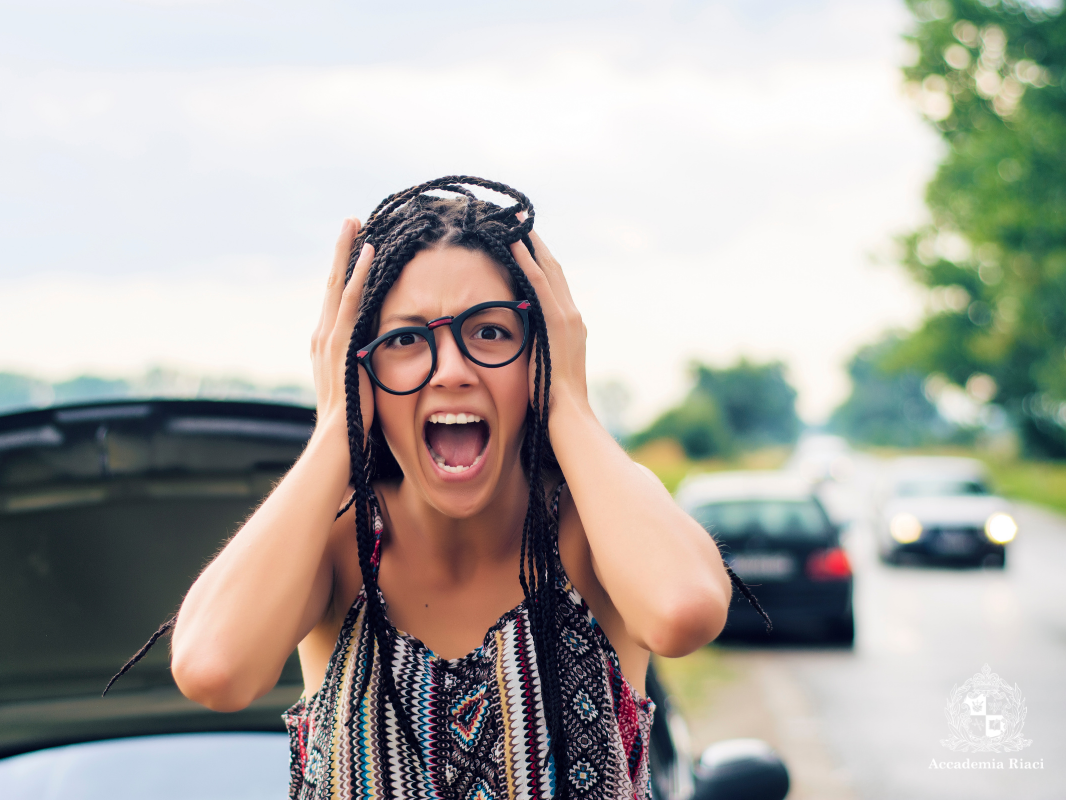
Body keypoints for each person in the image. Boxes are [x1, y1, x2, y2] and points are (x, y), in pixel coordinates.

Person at [137, 177, 754, 799]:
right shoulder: (335, 547)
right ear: (361, 366)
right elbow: (213, 670)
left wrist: (567, 400)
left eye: (490, 333)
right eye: (405, 340)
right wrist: (334, 430)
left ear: (537, 354)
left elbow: (686, 613)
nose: (452, 371)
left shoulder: (596, 531)